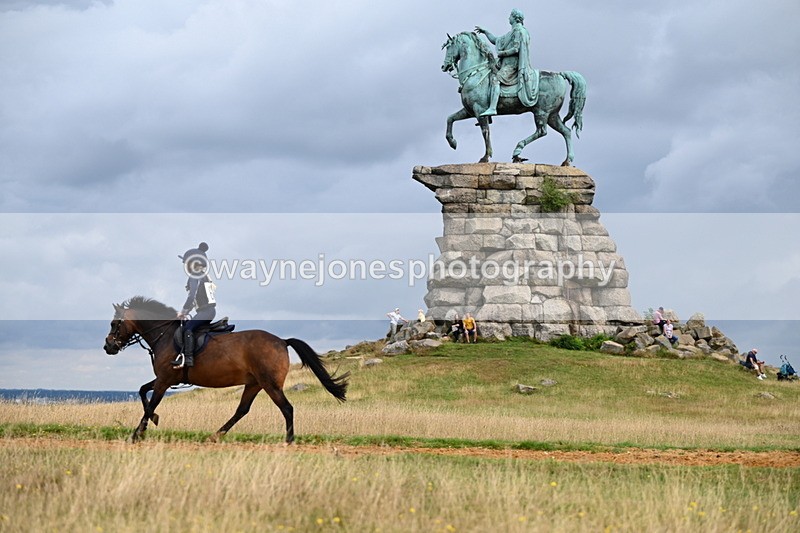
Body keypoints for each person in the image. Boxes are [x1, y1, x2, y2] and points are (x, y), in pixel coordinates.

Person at [475, 9, 539, 117]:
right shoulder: (511, 33)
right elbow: (496, 40)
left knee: (496, 79)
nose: (508, 18)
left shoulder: (519, 31)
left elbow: (516, 49)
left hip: (512, 65)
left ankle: (492, 108)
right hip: (505, 64)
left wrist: (502, 53)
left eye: (510, 16)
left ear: (514, 18)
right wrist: (485, 32)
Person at [170, 242, 217, 368]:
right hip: (208, 311)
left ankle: (188, 358)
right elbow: (196, 299)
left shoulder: (195, 276)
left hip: (205, 311)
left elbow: (191, 297)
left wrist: (183, 312)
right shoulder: (205, 276)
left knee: (187, 329)